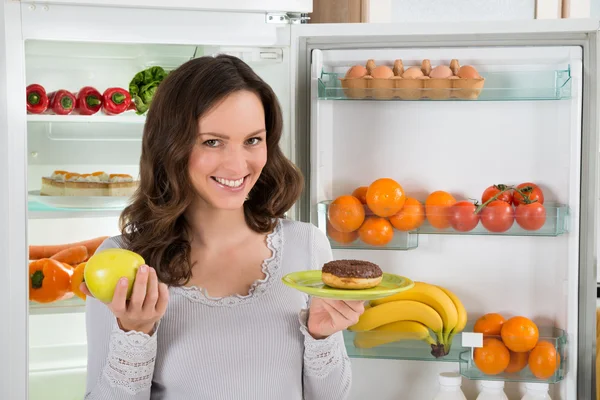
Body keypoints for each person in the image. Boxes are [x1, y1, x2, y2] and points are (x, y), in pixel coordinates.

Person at [82, 54, 365, 400]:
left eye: (253, 140)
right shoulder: (124, 263)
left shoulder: (306, 245)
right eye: (212, 141)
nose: (237, 164)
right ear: (170, 146)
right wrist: (134, 334)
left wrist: (322, 337)